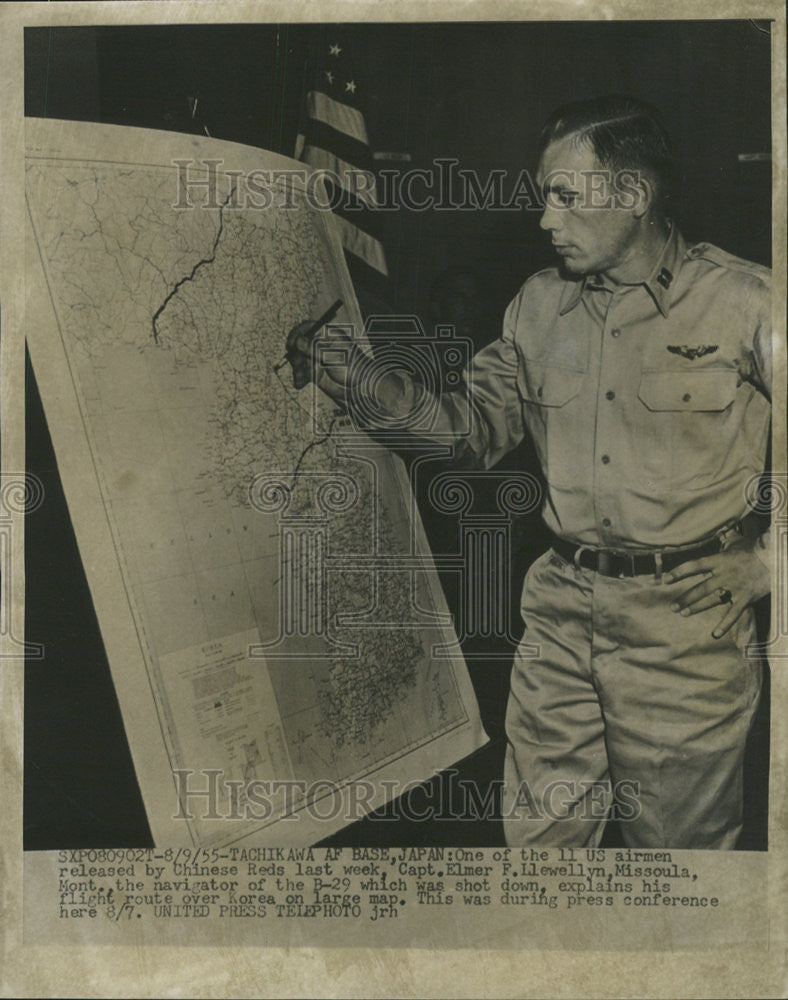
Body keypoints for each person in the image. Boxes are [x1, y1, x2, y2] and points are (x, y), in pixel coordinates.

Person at [286, 95, 773, 849]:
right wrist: (357, 379)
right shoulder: (538, 307)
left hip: (687, 633)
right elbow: (466, 433)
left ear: (633, 195)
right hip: (558, 615)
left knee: (681, 873)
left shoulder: (748, 303)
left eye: (564, 197)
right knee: (541, 855)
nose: (545, 220)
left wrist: (769, 560)